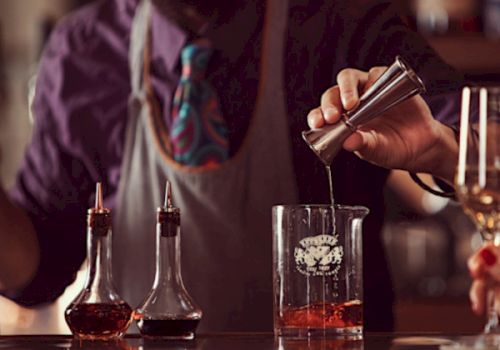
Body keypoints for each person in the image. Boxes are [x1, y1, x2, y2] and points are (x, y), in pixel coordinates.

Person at [0, 0, 462, 332]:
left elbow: (478, 129)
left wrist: (440, 147)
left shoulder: (341, 22)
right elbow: (37, 270)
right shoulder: (84, 50)